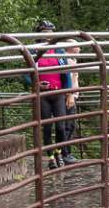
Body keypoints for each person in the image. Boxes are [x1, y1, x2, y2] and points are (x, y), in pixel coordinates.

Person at [31, 21, 78, 169]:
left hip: (58, 93)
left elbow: (67, 74)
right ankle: (51, 157)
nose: (48, 36)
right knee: (46, 127)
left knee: (60, 127)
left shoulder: (59, 50)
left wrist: (69, 94)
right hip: (43, 94)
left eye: (50, 33)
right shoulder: (33, 51)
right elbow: (26, 74)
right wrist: (36, 84)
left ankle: (59, 152)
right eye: (44, 33)